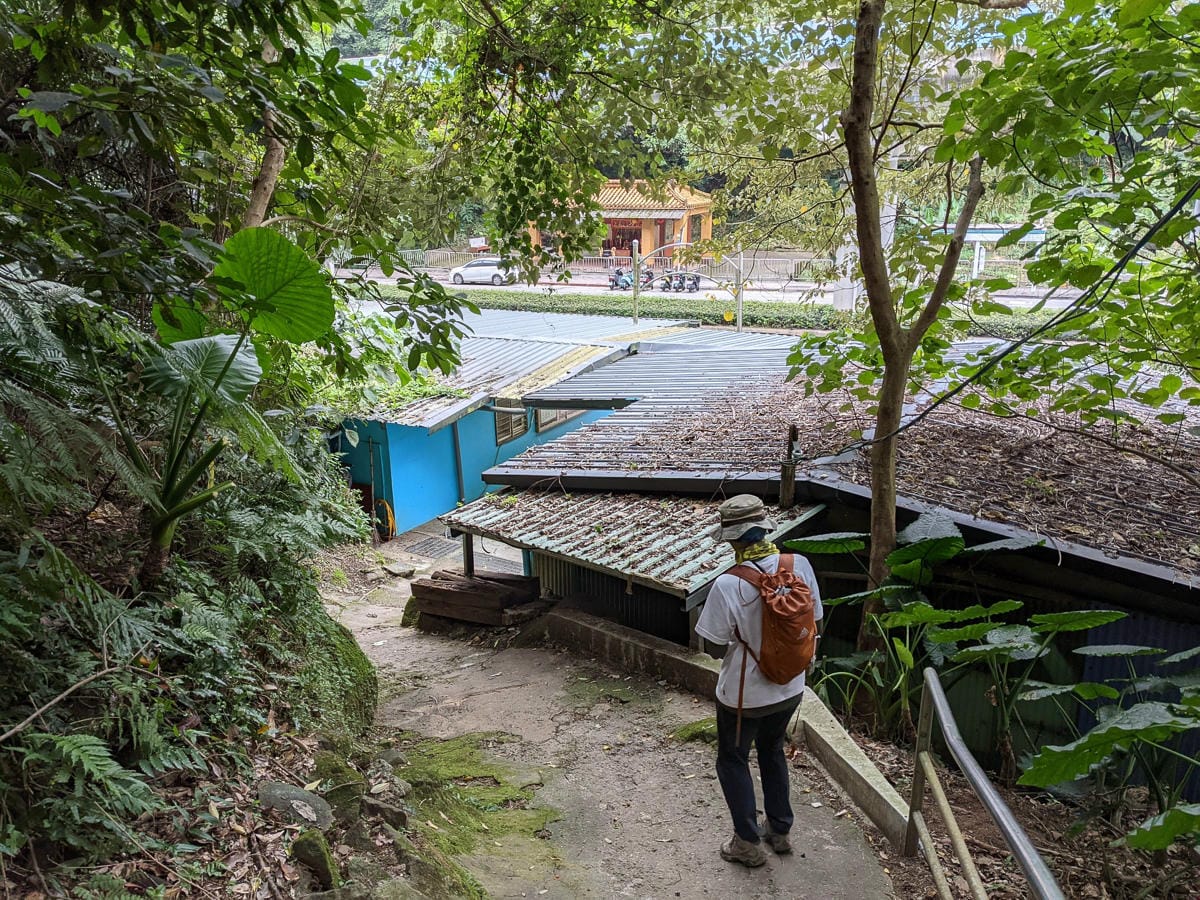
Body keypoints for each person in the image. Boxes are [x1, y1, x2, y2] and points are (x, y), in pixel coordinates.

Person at [694, 494, 823, 868]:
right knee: (772, 750)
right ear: (765, 528)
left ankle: (747, 844)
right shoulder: (799, 564)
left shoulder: (728, 584)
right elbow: (816, 618)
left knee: (733, 760)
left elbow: (715, 645)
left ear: (733, 539)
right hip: (792, 688)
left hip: (743, 697)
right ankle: (779, 831)